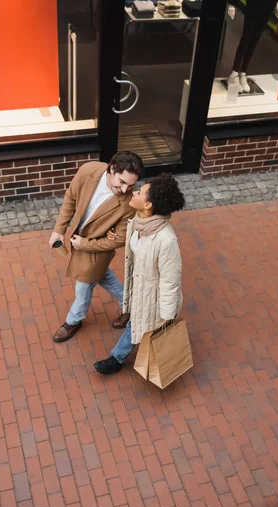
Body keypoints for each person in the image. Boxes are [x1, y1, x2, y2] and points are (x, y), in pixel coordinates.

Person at [94, 173, 185, 375]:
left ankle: (117, 359)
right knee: (137, 323)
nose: (135, 192)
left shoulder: (166, 240)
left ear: (148, 205)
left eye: (141, 192)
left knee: (140, 325)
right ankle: (118, 358)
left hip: (153, 297)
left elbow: (171, 281)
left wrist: (168, 315)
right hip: (140, 289)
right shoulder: (137, 222)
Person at [49, 151, 144, 343]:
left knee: (84, 284)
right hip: (78, 239)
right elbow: (70, 198)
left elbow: (119, 239)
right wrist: (59, 229)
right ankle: (131, 307)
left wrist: (85, 244)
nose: (126, 190)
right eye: (122, 182)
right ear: (112, 169)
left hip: (96, 248)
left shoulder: (130, 203)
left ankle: (74, 320)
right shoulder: (88, 171)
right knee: (102, 276)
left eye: (131, 185)